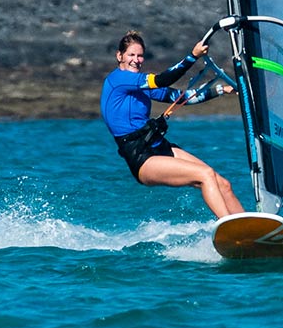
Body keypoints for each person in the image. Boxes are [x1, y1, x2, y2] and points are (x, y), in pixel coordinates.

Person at [100, 31, 245, 219]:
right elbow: (163, 79)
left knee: (222, 183)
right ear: (119, 56)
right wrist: (192, 57)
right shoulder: (119, 80)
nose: (136, 60)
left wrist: (220, 90)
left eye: (140, 55)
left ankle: (254, 230)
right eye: (131, 55)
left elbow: (181, 98)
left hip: (159, 146)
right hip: (141, 157)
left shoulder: (140, 86)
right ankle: (230, 228)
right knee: (205, 174)